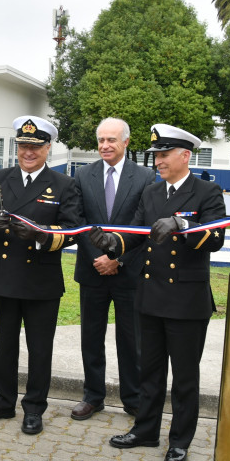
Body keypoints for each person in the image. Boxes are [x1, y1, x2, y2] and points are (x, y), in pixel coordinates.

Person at [89, 124, 226, 461]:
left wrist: (182, 225)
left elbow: (216, 239)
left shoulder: (207, 192)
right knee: (148, 371)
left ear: (185, 156)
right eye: (156, 156)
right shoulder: (152, 194)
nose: (159, 162)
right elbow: (136, 232)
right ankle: (146, 429)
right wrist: (114, 245)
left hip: (185, 301)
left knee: (184, 377)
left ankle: (179, 441)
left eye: (164, 155)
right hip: (149, 298)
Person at [0, 117, 80, 435]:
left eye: (34, 147)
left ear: (48, 148)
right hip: (6, 275)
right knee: (5, 345)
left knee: (39, 348)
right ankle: (3, 402)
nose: (27, 152)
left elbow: (72, 231)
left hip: (41, 279)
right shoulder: (0, 179)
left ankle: (34, 408)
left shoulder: (64, 185)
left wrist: (40, 234)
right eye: (23, 146)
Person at [71, 118, 152, 421]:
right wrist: (99, 259)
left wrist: (117, 259)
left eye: (112, 140)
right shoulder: (83, 176)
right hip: (92, 271)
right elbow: (78, 221)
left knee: (131, 340)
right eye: (101, 140)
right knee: (91, 336)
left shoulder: (145, 177)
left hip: (128, 272)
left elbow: (145, 227)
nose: (105, 145)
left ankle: (133, 399)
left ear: (126, 142)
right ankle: (93, 396)